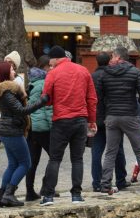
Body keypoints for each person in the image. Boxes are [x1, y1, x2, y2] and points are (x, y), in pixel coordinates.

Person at [39, 45, 97, 206]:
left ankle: (48, 195)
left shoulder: (53, 73)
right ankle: (76, 195)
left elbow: (47, 99)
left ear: (56, 58)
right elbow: (92, 98)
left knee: (55, 158)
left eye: (50, 58)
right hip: (80, 120)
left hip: (61, 120)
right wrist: (91, 120)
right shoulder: (83, 70)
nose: (49, 61)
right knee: (77, 159)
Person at [0, 62, 48, 207]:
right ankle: (9, 195)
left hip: (7, 130)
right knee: (25, 163)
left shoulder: (4, 91)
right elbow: (21, 111)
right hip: (12, 131)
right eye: (11, 69)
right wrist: (42, 102)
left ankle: (2, 196)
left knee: (13, 164)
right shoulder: (6, 92)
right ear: (5, 73)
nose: (14, 71)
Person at [98, 47, 140, 195]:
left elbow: (100, 95)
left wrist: (106, 109)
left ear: (117, 57)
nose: (110, 59)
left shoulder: (105, 73)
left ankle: (105, 185)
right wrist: (138, 102)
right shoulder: (135, 72)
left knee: (110, 152)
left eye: (112, 56)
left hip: (112, 116)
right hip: (130, 115)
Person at [90, 52, 128, 193]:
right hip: (111, 116)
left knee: (96, 152)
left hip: (96, 118)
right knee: (117, 150)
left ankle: (96, 182)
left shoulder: (92, 76)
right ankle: (121, 180)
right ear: (109, 62)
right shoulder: (112, 75)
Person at [25, 55, 52, 201]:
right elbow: (47, 108)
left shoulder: (33, 80)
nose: (52, 69)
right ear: (45, 67)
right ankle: (46, 187)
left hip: (32, 127)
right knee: (55, 156)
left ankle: (30, 191)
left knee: (32, 161)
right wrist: (53, 126)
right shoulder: (44, 82)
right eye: (51, 66)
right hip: (43, 127)